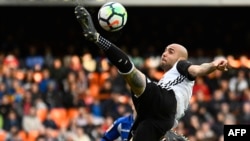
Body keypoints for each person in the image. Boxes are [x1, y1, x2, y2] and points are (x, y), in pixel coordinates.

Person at [74, 6, 228, 141]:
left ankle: (97, 38)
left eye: (170, 51)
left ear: (181, 58)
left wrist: (213, 65)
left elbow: (198, 69)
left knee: (133, 75)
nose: (164, 53)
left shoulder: (182, 66)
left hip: (165, 103)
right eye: (165, 50)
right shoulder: (168, 78)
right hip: (156, 120)